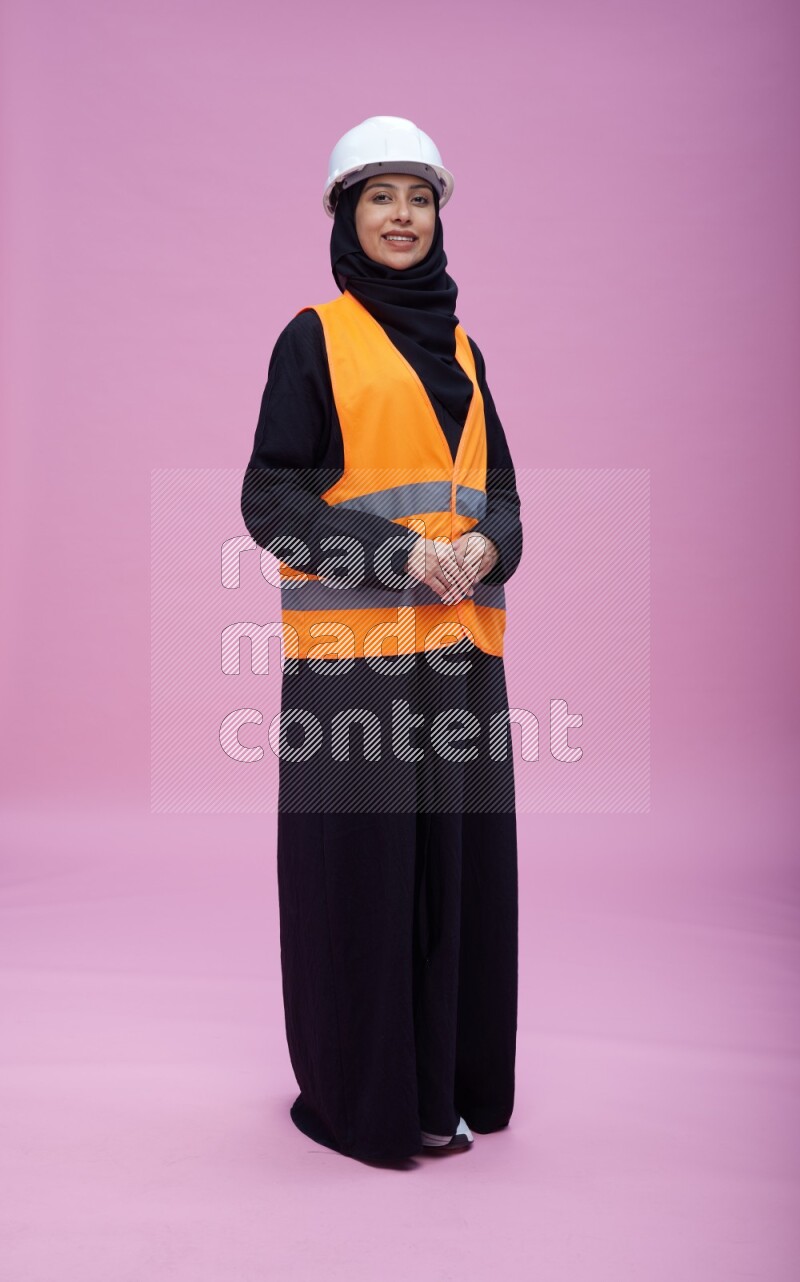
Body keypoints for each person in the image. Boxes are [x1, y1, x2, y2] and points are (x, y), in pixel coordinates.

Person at [240, 116, 523, 1164]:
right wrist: (401, 554)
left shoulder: (465, 350)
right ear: (345, 215)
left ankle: (440, 1087)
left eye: (419, 197)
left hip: (460, 662)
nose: (402, 216)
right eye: (379, 197)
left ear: (438, 215)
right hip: (353, 668)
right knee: (359, 881)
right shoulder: (314, 339)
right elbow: (270, 499)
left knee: (455, 875)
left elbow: (504, 503)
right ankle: (363, 1101)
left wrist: (487, 547)